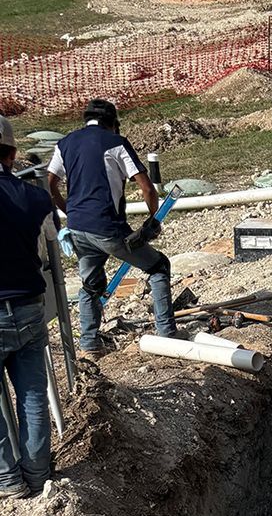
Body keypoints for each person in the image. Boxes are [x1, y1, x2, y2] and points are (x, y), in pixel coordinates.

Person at [47, 97, 177, 356]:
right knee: (159, 266)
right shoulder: (116, 143)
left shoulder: (65, 143)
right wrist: (153, 219)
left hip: (78, 228)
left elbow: (50, 183)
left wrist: (69, 211)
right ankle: (167, 333)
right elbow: (146, 187)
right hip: (107, 226)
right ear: (113, 123)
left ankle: (89, 345)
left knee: (91, 285)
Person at [0, 114, 54, 500]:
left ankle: (7, 479)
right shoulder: (34, 197)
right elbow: (49, 240)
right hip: (29, 307)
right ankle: (37, 475)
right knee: (33, 394)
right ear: (12, 153)